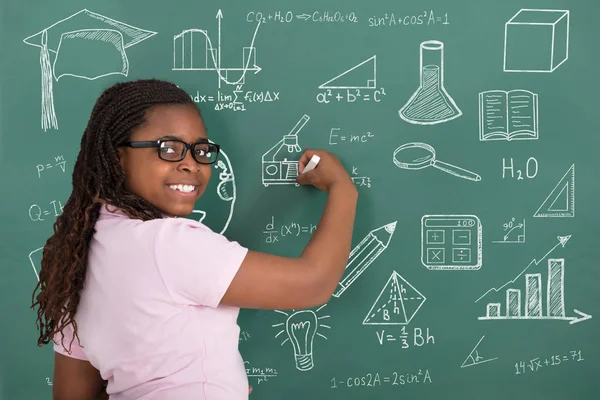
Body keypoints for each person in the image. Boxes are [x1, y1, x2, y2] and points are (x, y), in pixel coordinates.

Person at [32, 79, 358, 400]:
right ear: (119, 158)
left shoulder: (77, 261)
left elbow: (72, 395)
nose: (191, 164)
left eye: (201, 151)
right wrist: (342, 189)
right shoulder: (167, 244)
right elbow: (313, 283)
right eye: (169, 149)